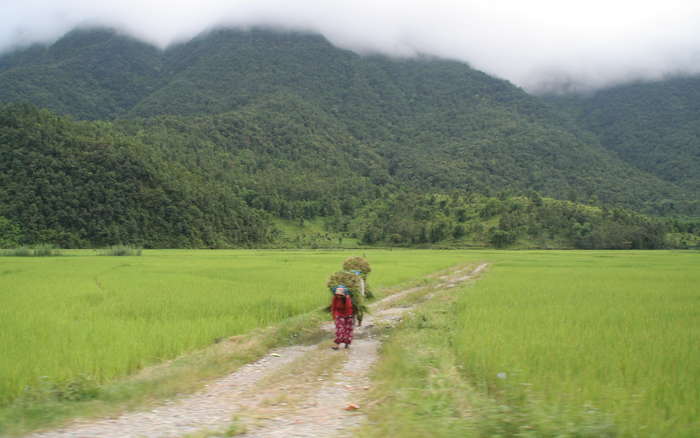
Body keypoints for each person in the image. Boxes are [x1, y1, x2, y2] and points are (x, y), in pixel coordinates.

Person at [330, 285, 354, 350]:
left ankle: (347, 344)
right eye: (337, 295)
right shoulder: (335, 298)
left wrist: (346, 298)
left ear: (343, 294)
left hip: (348, 315)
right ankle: (337, 345)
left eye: (340, 295)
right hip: (339, 315)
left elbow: (348, 307)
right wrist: (334, 316)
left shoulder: (347, 298)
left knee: (348, 330)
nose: (338, 296)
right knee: (339, 330)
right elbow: (333, 307)